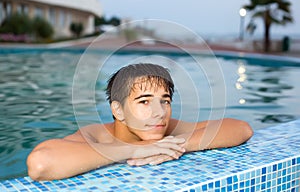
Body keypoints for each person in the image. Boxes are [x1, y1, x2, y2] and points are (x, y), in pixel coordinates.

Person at [27, 63, 253, 181]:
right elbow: (40, 164)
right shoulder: (96, 135)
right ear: (119, 110)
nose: (159, 112)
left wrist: (174, 145)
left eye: (164, 101)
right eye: (144, 102)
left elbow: (241, 128)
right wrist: (136, 150)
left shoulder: (167, 129)